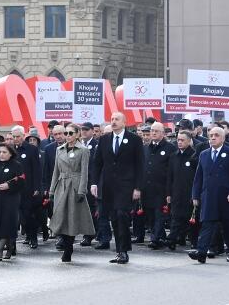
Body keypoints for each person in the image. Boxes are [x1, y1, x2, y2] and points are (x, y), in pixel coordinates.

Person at [91, 112, 145, 264]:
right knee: (114, 217)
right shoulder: (104, 140)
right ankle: (119, 250)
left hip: (126, 186)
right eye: (112, 119)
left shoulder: (134, 140)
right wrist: (94, 183)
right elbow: (97, 163)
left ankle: (123, 250)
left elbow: (140, 165)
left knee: (122, 215)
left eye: (117, 119)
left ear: (124, 122)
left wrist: (138, 188)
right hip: (108, 186)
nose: (113, 122)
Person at [187, 126, 229, 264]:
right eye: (210, 135)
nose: (213, 138)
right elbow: (198, 176)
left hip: (226, 197)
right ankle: (202, 253)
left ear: (222, 138)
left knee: (228, 226)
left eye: (216, 135)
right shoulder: (204, 154)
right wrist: (195, 195)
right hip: (208, 196)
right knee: (207, 225)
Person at [49, 126, 96, 262]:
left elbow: (84, 172)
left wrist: (82, 190)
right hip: (61, 185)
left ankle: (68, 248)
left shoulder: (83, 150)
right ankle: (64, 242)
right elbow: (55, 171)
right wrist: (52, 190)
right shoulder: (60, 149)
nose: (67, 135)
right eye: (66, 133)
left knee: (71, 218)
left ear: (77, 134)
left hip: (74, 186)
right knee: (60, 217)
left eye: (70, 133)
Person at [0, 143, 25, 261]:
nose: (1, 155)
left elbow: (21, 182)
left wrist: (9, 185)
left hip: (11, 199)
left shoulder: (16, 165)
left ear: (10, 153)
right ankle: (10, 246)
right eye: (0, 152)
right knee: (1, 224)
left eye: (4, 152)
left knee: (7, 222)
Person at [141, 122, 175, 248]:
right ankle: (160, 237)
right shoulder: (145, 147)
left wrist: (170, 190)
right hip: (147, 187)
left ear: (163, 133)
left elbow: (172, 170)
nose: (153, 133)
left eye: (156, 131)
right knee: (149, 214)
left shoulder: (170, 148)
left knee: (159, 214)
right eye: (152, 131)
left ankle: (155, 239)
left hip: (162, 188)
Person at [11, 126, 43, 250]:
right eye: (13, 137)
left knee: (28, 215)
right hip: (14, 188)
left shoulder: (32, 149)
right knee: (19, 216)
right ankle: (25, 236)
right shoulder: (10, 149)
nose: (15, 139)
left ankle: (33, 237)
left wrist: (37, 187)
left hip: (28, 188)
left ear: (23, 136)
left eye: (18, 136)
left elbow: (37, 170)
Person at [167, 131, 199, 251]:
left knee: (191, 219)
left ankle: (194, 241)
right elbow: (169, 176)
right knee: (175, 217)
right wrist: (168, 193)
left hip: (190, 193)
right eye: (178, 140)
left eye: (182, 140)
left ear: (189, 141)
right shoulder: (174, 156)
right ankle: (172, 239)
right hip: (176, 192)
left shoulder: (194, 156)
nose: (179, 142)